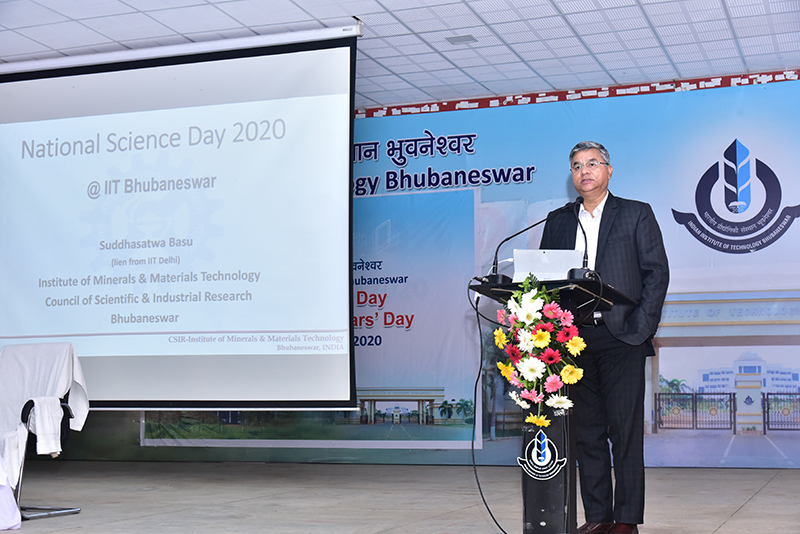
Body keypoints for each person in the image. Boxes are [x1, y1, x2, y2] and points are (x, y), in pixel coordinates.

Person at [539, 141, 669, 534]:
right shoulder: (558, 220)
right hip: (574, 340)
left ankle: (626, 519)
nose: (585, 171)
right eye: (577, 165)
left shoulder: (635, 213)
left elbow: (656, 274)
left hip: (622, 337)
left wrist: (641, 328)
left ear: (609, 171)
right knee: (588, 433)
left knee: (624, 432)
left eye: (592, 163)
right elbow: (545, 280)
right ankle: (598, 515)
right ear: (572, 175)